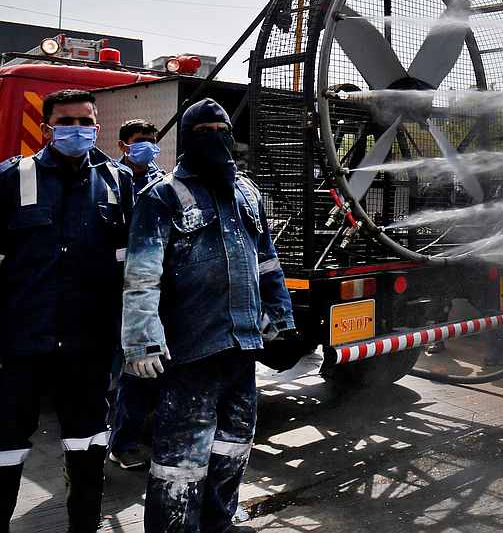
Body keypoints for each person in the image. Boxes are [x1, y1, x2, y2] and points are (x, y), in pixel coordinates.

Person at [121, 98, 295, 533]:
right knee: (181, 461)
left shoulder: (248, 193)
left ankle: (218, 523)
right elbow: (142, 275)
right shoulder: (162, 196)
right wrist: (142, 341)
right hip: (191, 350)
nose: (216, 138)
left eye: (221, 130)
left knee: (234, 446)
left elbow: (267, 262)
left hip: (242, 346)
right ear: (186, 140)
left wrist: (281, 319)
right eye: (204, 132)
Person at [0, 89, 133, 533]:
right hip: (21, 346)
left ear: (98, 124)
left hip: (88, 348)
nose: (78, 130)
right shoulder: (12, 179)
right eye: (67, 121)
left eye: (86, 121)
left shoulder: (117, 182)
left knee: (87, 452)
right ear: (46, 127)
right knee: (5, 451)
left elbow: (135, 262)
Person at [108, 119, 165, 470]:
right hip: (117, 287)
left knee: (150, 365)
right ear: (124, 146)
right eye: (141, 141)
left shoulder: (161, 181)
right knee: (129, 366)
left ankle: (134, 434)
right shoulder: (110, 180)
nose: (149, 147)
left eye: (153, 141)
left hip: (153, 287)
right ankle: (121, 442)